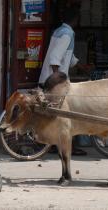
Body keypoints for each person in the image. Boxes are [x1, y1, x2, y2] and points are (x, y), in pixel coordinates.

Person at [39, 7, 88, 156]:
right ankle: (66, 145)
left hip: (48, 79)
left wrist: (82, 67)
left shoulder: (60, 31)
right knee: (70, 113)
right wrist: (57, 81)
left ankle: (58, 143)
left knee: (57, 115)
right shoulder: (67, 33)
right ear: (76, 20)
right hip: (53, 82)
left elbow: (69, 57)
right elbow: (55, 58)